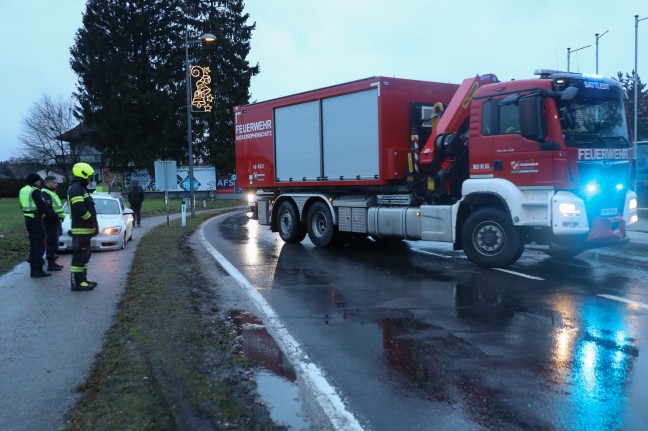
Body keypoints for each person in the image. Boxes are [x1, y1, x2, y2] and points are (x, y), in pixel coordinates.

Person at [68, 163, 99, 291]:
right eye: (89, 177)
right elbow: (78, 207)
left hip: (84, 229)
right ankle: (77, 283)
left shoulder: (80, 188)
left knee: (85, 254)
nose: (90, 179)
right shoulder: (76, 189)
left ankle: (83, 279)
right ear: (83, 175)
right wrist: (89, 219)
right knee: (80, 255)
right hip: (80, 229)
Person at [19, 173, 53, 278]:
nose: (40, 182)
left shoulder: (23, 190)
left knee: (33, 244)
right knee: (39, 245)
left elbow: (21, 205)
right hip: (36, 219)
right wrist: (48, 216)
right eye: (38, 180)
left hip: (28, 218)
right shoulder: (34, 191)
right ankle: (38, 270)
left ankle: (33, 270)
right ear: (34, 181)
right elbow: (42, 206)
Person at [41, 176, 66, 271]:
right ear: (49, 183)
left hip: (54, 221)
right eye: (55, 182)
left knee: (54, 242)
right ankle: (51, 264)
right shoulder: (45, 194)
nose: (57, 184)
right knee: (51, 242)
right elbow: (48, 209)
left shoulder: (51, 193)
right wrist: (57, 218)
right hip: (50, 221)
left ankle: (53, 261)